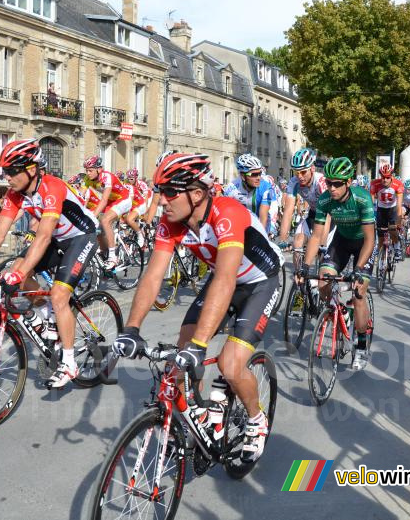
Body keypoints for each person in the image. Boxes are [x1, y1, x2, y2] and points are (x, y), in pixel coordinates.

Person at [112, 152, 283, 464]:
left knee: (230, 365)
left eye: (168, 192)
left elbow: (227, 277)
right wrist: (131, 329)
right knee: (179, 360)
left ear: (197, 193)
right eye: (158, 191)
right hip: (223, 281)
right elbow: (153, 275)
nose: (161, 200)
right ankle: (201, 416)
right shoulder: (172, 221)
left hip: (259, 282)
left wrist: (200, 345)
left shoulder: (228, 212)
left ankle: (256, 421)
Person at [0, 139, 99, 389]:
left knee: (60, 293)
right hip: (57, 237)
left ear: (31, 169)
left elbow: (43, 235)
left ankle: (70, 362)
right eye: (3, 172)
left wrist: (19, 277)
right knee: (15, 268)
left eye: (10, 172)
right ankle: (44, 312)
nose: (6, 177)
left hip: (81, 236)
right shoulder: (15, 194)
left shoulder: (52, 187)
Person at [299, 157, 375, 371]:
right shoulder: (325, 200)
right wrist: (305, 267)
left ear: (348, 182)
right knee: (323, 280)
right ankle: (340, 313)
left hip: (363, 244)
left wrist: (358, 269)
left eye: (337, 184)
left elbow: (370, 239)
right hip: (341, 242)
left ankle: (360, 345)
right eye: (329, 182)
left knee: (358, 292)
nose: (331, 188)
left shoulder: (362, 199)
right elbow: (316, 236)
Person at [80, 155, 132, 270]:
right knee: (97, 229)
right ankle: (105, 253)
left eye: (90, 170)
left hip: (123, 199)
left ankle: (113, 257)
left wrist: (93, 216)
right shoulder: (87, 179)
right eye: (86, 170)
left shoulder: (107, 177)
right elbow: (79, 197)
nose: (88, 173)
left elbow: (103, 200)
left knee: (105, 220)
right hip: (111, 202)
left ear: (99, 169)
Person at [278, 147, 328, 265]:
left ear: (312, 168)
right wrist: (283, 239)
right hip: (313, 213)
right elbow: (288, 211)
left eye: (303, 172)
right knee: (297, 243)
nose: (299, 176)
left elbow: (328, 214)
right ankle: (298, 279)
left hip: (328, 217)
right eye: (296, 172)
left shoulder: (321, 182)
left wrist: (322, 243)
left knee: (323, 254)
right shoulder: (294, 182)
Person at [222, 153, 275, 231]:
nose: (259, 178)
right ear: (243, 176)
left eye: (259, 173)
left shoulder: (265, 187)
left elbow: (263, 216)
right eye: (254, 174)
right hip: (241, 223)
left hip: (260, 223)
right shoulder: (231, 188)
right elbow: (224, 213)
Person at [369, 163, 404, 261]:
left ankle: (397, 247)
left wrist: (398, 221)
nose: (385, 180)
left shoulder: (398, 184)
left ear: (391, 176)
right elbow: (370, 203)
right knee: (380, 236)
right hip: (381, 210)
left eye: (388, 177)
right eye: (383, 177)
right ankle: (381, 262)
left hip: (392, 209)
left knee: (392, 230)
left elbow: (399, 205)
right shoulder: (374, 184)